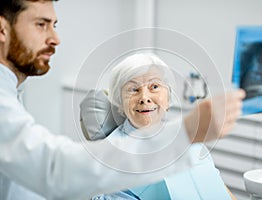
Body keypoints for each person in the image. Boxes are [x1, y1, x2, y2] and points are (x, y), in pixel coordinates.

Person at [0, 0, 245, 199]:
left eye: (155, 86)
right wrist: (187, 132)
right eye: (41, 24)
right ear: (2, 30)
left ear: (169, 97)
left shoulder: (11, 94)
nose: (56, 38)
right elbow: (54, 169)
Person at [82, 53, 237, 200]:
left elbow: (216, 183)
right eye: (133, 89)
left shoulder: (187, 136)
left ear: (168, 99)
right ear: (120, 105)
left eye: (154, 86)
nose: (144, 98)